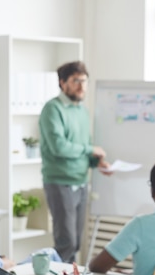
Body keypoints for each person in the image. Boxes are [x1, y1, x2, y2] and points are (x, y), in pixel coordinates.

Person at [39, 61, 111, 263]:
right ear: (62, 83)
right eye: (76, 81)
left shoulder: (82, 111)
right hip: (60, 182)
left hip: (81, 182)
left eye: (84, 81)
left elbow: (84, 144)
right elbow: (59, 147)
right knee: (66, 242)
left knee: (77, 242)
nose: (81, 86)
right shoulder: (52, 109)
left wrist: (97, 163)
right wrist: (90, 150)